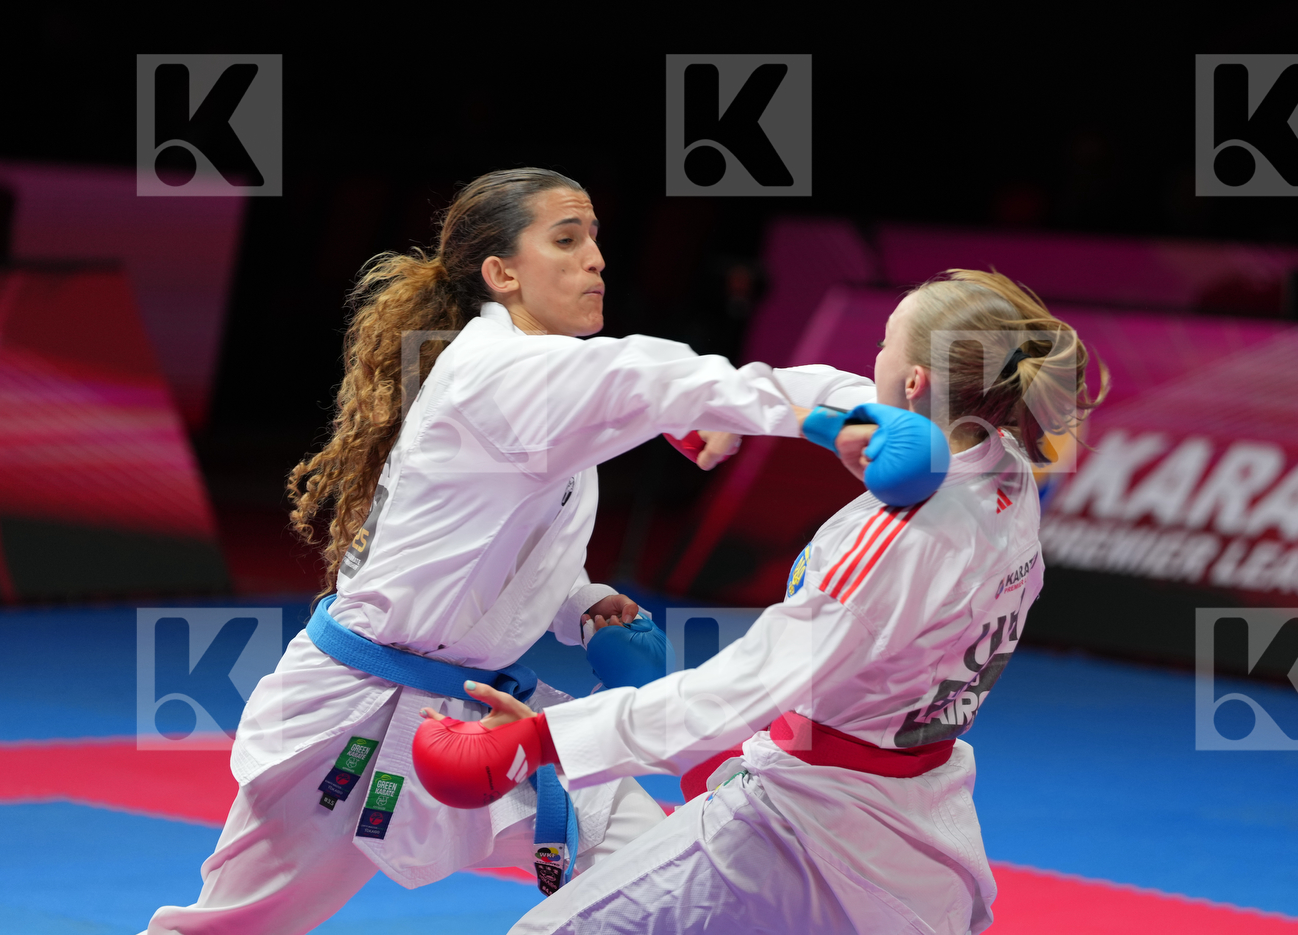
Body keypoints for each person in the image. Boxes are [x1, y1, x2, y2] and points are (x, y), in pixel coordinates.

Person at [141, 168, 935, 935]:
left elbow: (486, 543)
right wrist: (844, 413)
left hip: (479, 711)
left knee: (656, 872)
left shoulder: (531, 378)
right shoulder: (506, 372)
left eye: (594, 238)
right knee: (230, 927)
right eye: (564, 239)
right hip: (354, 719)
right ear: (502, 274)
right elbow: (660, 376)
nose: (594, 257)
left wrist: (580, 603)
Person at [413, 269, 1105, 935]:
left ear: (917, 382)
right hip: (917, 828)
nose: (872, 362)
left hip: (801, 833)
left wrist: (536, 741)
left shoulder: (890, 544)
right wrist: (704, 406)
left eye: (884, 346)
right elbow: (840, 392)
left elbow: (740, 690)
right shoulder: (1008, 471)